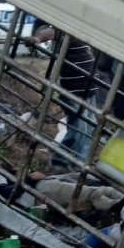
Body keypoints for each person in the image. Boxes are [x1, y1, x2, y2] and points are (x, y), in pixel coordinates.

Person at [22, 20, 96, 166]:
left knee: (87, 129)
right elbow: (48, 32)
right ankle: (72, 164)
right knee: (79, 130)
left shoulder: (85, 35)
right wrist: (36, 39)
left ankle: (65, 161)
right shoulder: (65, 31)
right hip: (73, 90)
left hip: (89, 89)